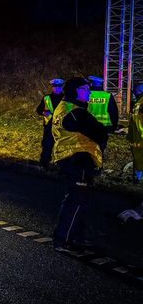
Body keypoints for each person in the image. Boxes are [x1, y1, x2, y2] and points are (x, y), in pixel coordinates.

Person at [51, 77, 108, 252]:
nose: (89, 92)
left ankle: (77, 237)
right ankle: (63, 239)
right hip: (79, 159)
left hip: (68, 158)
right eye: (85, 89)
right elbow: (99, 133)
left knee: (78, 200)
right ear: (75, 91)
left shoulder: (64, 107)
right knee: (76, 200)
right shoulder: (76, 112)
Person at [35, 78, 64, 169]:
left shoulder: (66, 99)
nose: (57, 89)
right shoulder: (46, 98)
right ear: (52, 88)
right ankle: (44, 165)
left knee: (61, 148)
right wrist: (44, 112)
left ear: (62, 87)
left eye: (59, 87)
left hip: (62, 127)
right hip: (49, 127)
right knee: (47, 146)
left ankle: (60, 166)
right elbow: (39, 110)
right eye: (55, 87)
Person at [126, 83, 143, 184]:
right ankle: (137, 178)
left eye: (134, 92)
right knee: (138, 160)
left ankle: (138, 178)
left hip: (140, 139)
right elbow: (134, 122)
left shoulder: (140, 103)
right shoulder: (138, 103)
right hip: (137, 140)